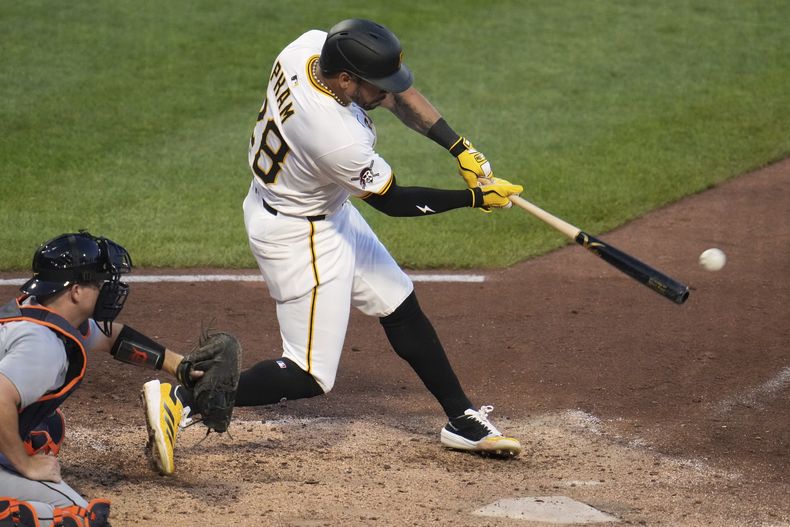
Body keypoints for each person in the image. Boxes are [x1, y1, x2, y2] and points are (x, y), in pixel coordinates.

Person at [144, 18, 524, 474]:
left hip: (320, 206)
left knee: (398, 302)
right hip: (300, 235)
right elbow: (396, 202)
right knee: (309, 373)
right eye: (376, 87)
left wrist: (459, 148)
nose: (387, 95)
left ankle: (460, 419)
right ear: (346, 80)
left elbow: (396, 92)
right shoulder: (335, 136)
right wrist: (474, 197)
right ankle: (182, 397)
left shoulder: (306, 50)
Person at [0, 232, 200, 526]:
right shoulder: (43, 346)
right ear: (77, 291)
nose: (107, 289)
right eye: (99, 283)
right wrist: (25, 464)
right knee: (81, 518)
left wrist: (180, 366)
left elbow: (111, 338)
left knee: (48, 426)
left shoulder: (40, 309)